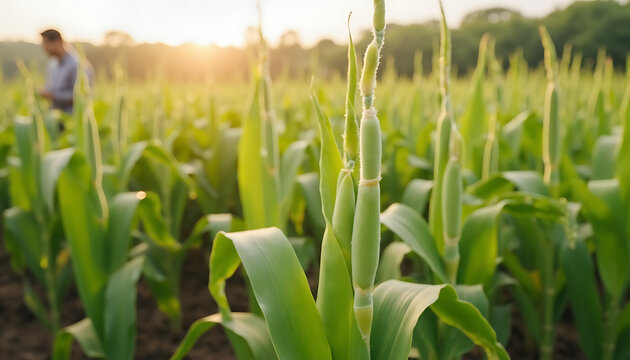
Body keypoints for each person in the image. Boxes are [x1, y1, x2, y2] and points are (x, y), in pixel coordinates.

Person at [38, 29, 93, 113]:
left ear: (58, 42)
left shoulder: (78, 65)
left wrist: (53, 96)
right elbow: (51, 88)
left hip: (73, 119)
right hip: (54, 119)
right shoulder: (51, 65)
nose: (44, 48)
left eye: (46, 43)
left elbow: (81, 96)